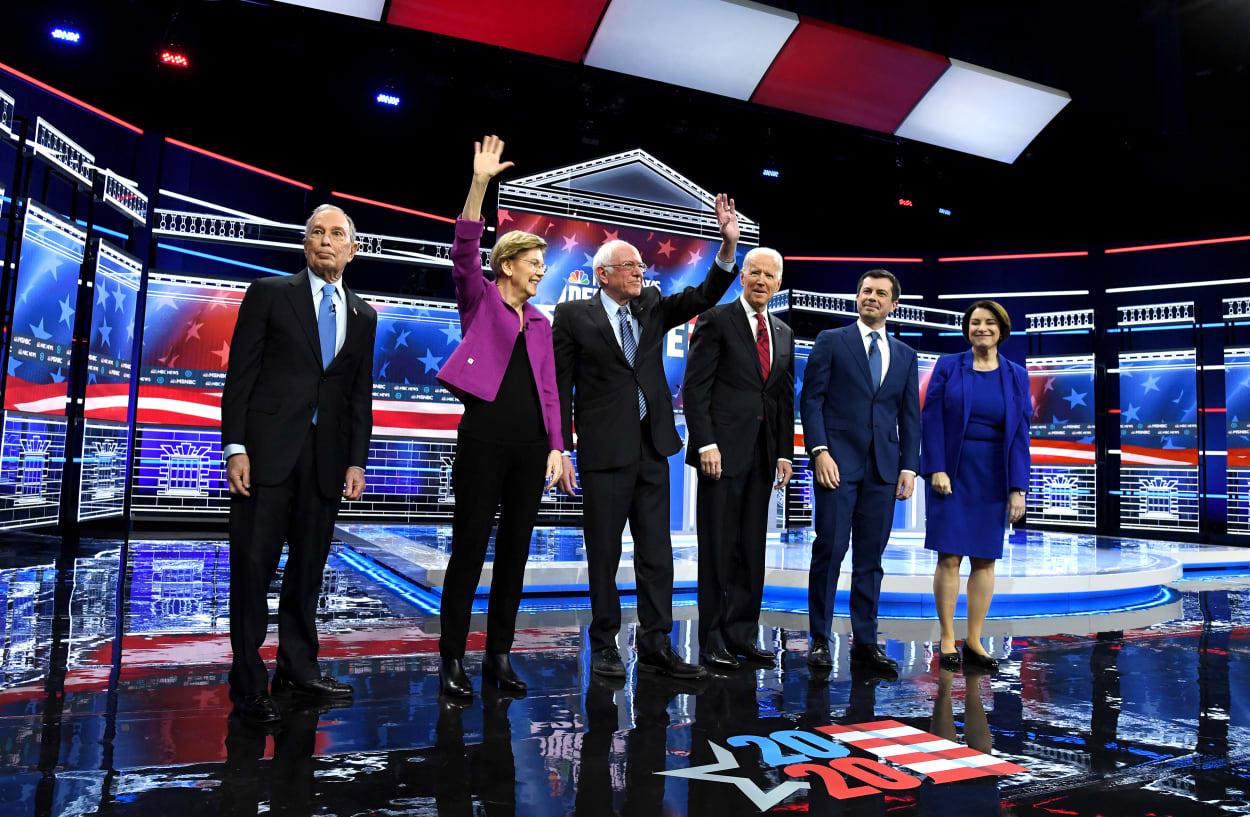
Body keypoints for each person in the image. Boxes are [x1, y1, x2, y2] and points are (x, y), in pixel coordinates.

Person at [553, 196, 740, 680]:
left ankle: (657, 646)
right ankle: (606, 645)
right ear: (603, 274)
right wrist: (563, 449)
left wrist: (727, 247)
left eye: (641, 265)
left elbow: (702, 297)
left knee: (657, 554)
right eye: (629, 266)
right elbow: (559, 386)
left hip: (654, 449)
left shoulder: (653, 306)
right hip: (602, 454)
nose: (640, 272)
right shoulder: (573, 318)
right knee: (605, 555)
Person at [221, 204, 378, 722]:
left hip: (327, 461)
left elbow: (359, 394)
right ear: (304, 244)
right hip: (266, 455)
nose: (325, 240)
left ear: (352, 249)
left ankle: (298, 667)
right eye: (316, 231)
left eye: (337, 234)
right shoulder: (269, 294)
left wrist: (357, 460)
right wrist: (235, 446)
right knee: (252, 570)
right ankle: (247, 683)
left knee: (309, 570)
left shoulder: (364, 314)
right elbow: (239, 377)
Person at [434, 135, 564, 697]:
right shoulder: (479, 297)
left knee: (514, 554)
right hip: (483, 439)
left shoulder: (541, 323)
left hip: (531, 448)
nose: (540, 272)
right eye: (533, 264)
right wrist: (480, 183)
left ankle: (499, 656)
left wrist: (558, 447)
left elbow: (552, 391)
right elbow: (463, 250)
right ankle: (451, 660)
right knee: (468, 550)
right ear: (507, 264)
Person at [799, 269, 920, 675]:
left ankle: (865, 643)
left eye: (881, 293)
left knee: (871, 559)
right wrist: (819, 452)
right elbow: (811, 401)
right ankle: (819, 638)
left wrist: (909, 466)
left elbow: (909, 415)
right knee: (830, 551)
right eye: (866, 290)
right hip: (836, 464)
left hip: (883, 470)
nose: (872, 297)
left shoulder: (905, 354)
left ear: (893, 304)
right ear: (857, 296)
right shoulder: (832, 341)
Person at [683, 247, 794, 669]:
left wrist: (784, 452)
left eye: (769, 275)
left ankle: (743, 634)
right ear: (741, 277)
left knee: (751, 549)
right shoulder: (715, 320)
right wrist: (706, 443)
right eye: (754, 273)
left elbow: (783, 400)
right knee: (717, 548)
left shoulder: (782, 332)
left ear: (778, 283)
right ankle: (712, 639)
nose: (761, 281)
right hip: (721, 455)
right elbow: (696, 389)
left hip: (764, 457)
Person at [921, 299, 1030, 673]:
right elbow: (931, 418)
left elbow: (1020, 434)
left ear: (1001, 329)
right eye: (974, 323)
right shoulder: (949, 366)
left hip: (993, 475)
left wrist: (1019, 486)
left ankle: (975, 639)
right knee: (949, 556)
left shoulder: (1016, 374)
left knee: (985, 559)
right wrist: (936, 467)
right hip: (952, 471)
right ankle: (948, 637)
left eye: (988, 323)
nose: (980, 328)